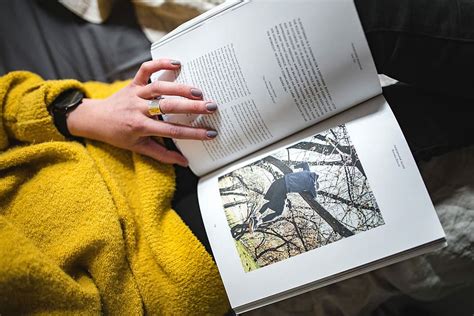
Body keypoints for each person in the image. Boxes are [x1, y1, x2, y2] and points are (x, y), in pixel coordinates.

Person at [1, 0, 474, 314]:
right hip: (161, 267)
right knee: (380, 144)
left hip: (116, 136)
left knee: (352, 23)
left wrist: (76, 112)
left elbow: (5, 99)